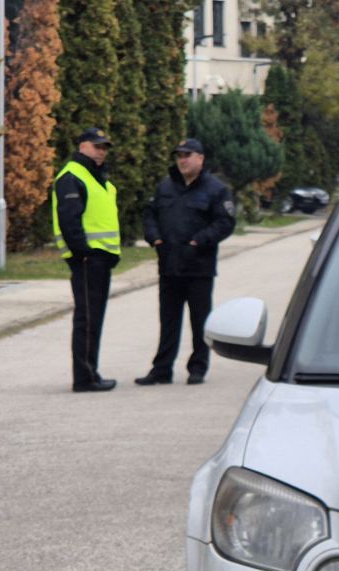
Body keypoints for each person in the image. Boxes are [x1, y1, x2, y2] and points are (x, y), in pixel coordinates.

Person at [135, 138, 236, 386]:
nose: (182, 160)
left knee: (199, 321)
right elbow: (150, 215)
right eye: (179, 155)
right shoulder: (165, 187)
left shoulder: (216, 189)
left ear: (200, 158)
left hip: (198, 266)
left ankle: (197, 368)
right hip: (169, 265)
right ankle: (162, 369)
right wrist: (154, 238)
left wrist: (198, 241)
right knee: (168, 321)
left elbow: (224, 223)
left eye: (187, 155)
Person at [53, 127, 121, 393]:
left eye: (104, 147)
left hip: (100, 259)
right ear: (82, 146)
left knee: (94, 318)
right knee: (87, 319)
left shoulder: (99, 178)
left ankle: (91, 371)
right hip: (87, 259)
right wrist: (83, 253)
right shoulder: (72, 176)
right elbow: (69, 220)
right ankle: (84, 377)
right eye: (97, 146)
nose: (101, 151)